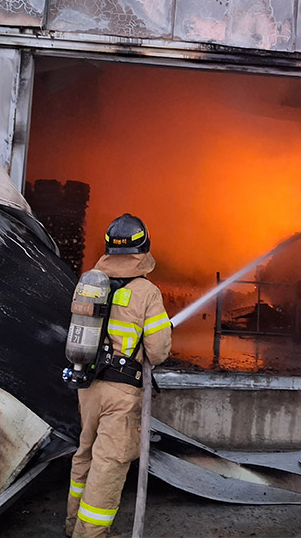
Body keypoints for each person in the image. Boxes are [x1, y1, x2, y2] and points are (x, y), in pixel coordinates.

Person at [65, 213, 172, 538]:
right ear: (144, 247)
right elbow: (158, 352)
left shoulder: (90, 284)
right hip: (121, 393)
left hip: (88, 386)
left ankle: (72, 525)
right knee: (108, 464)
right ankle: (90, 534)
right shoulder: (146, 292)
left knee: (85, 453)